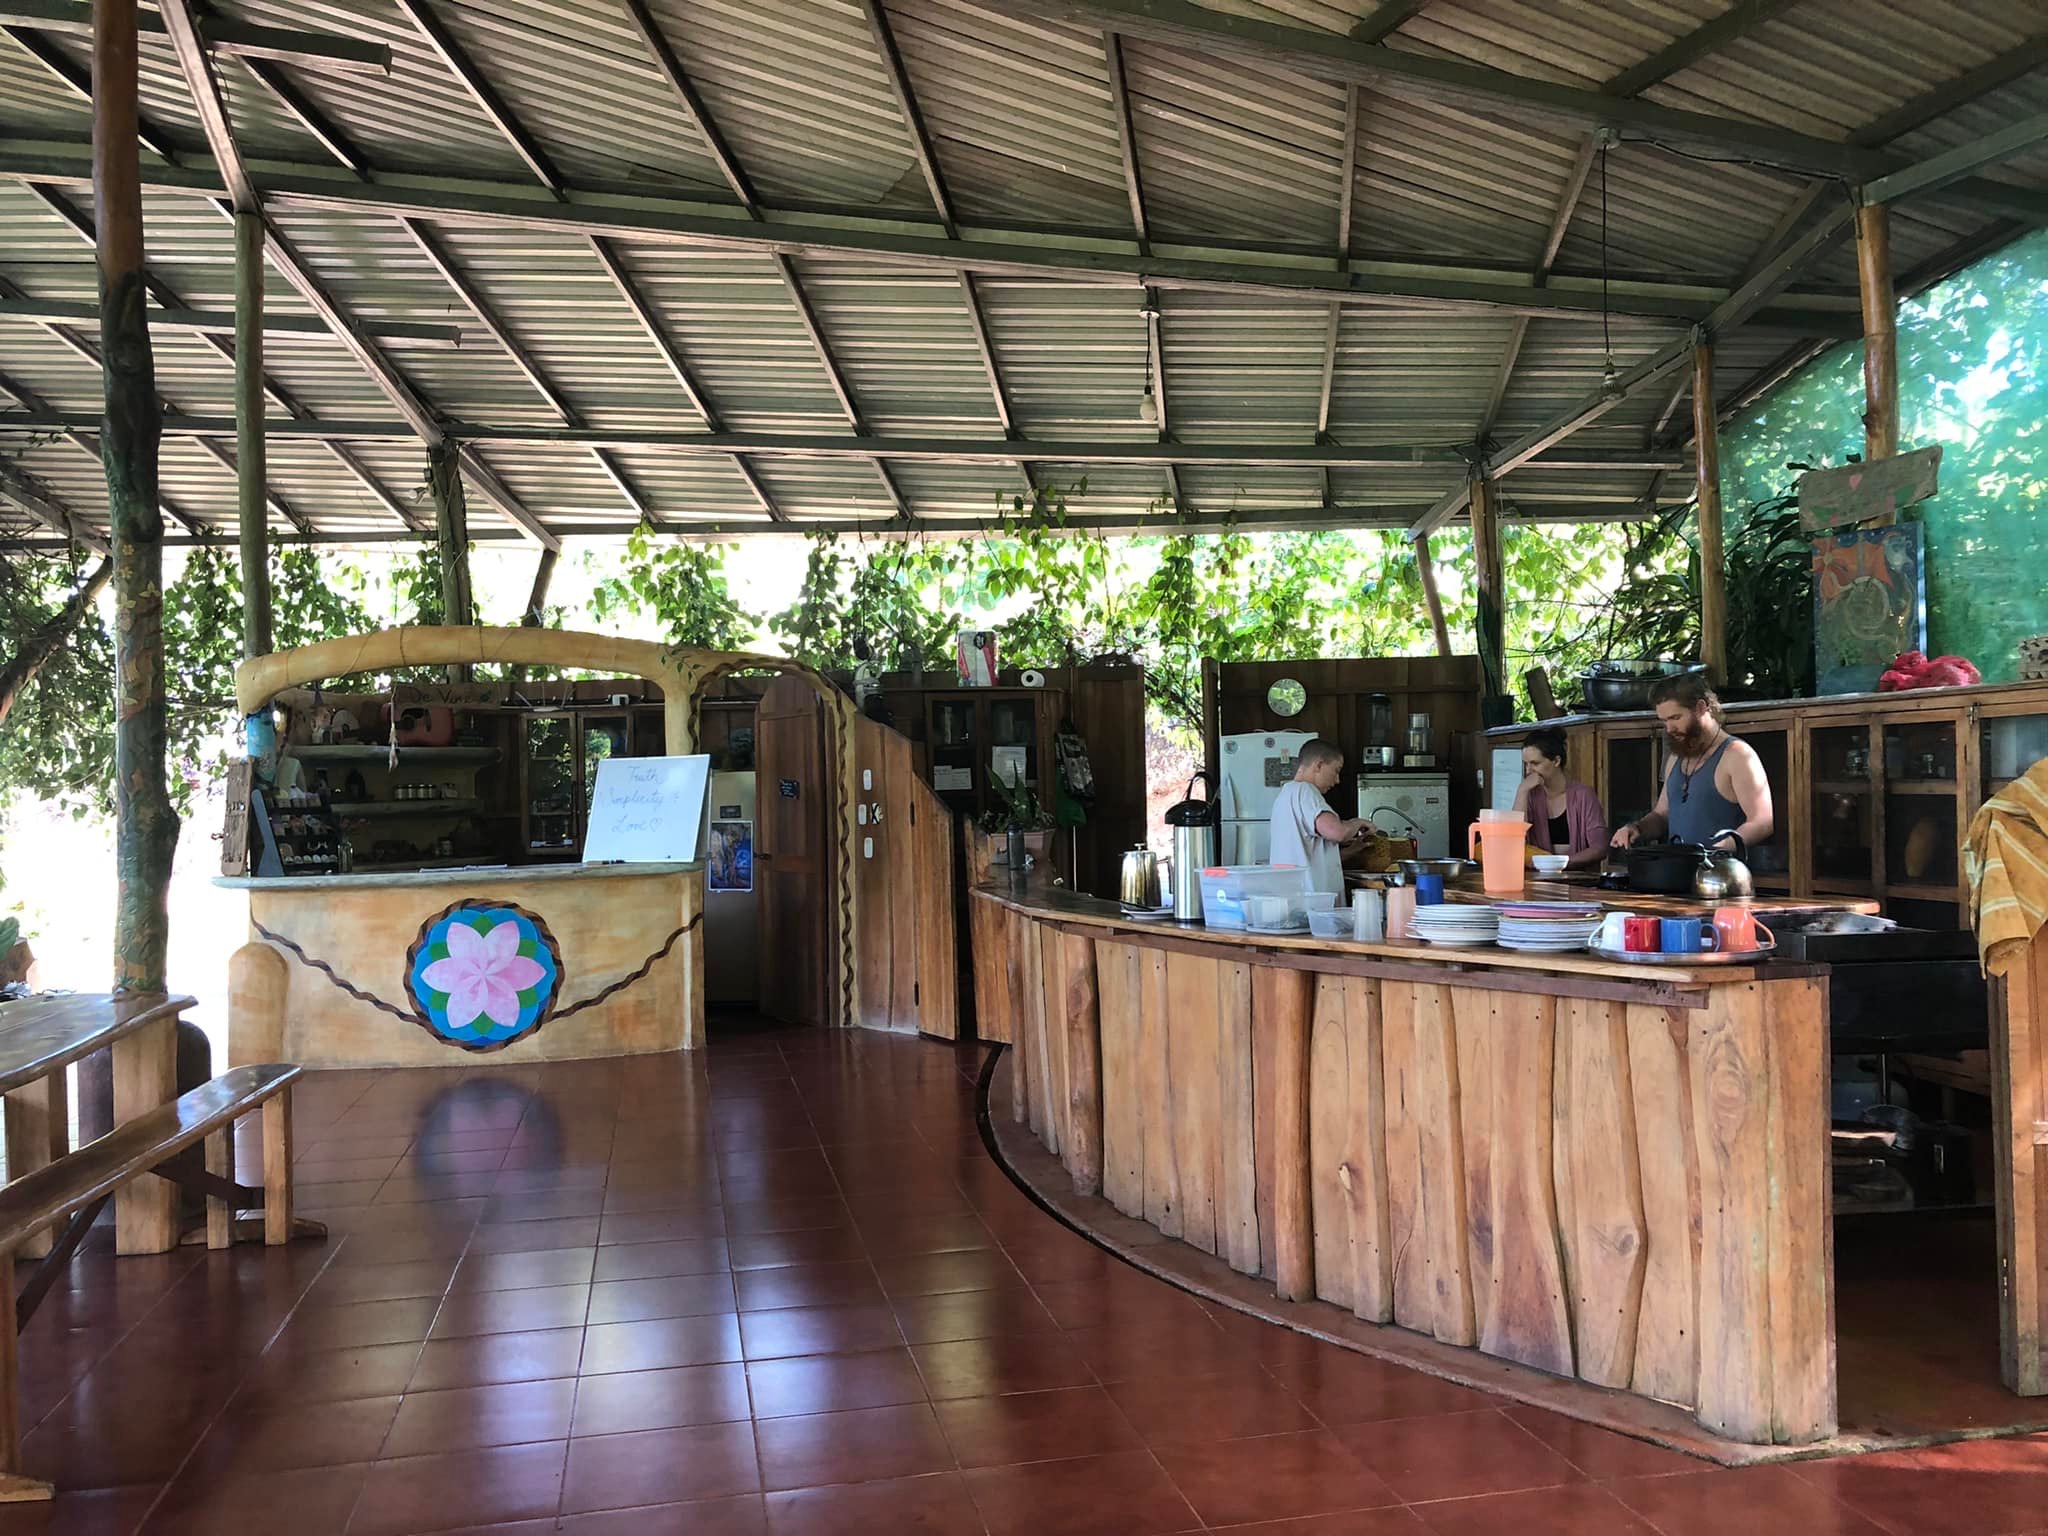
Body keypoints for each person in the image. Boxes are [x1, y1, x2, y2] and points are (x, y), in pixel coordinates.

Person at [1610, 674, 1774, 853]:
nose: (1669, 728)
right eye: (1664, 721)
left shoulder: (1737, 755)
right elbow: (1662, 814)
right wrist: (1636, 828)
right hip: (1675, 873)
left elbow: (1762, 822)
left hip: (1720, 877)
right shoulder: (1675, 757)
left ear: (1701, 707)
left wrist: (1717, 852)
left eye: (1676, 717)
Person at [1268, 738, 1368, 896]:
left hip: (1297, 900)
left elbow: (1313, 859)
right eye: (1336, 770)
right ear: (1319, 765)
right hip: (1312, 906)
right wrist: (1358, 822)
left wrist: (1353, 850)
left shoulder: (1286, 795)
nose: (1337, 780)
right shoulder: (1305, 791)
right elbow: (1338, 832)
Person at [1512, 727, 1609, 870]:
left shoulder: (1583, 795)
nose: (1528, 770)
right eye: (1525, 764)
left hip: (1580, 882)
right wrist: (1522, 791)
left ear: (1556, 761)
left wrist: (1559, 864)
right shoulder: (1530, 796)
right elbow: (1513, 840)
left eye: (1535, 763)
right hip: (1539, 880)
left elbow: (1600, 848)